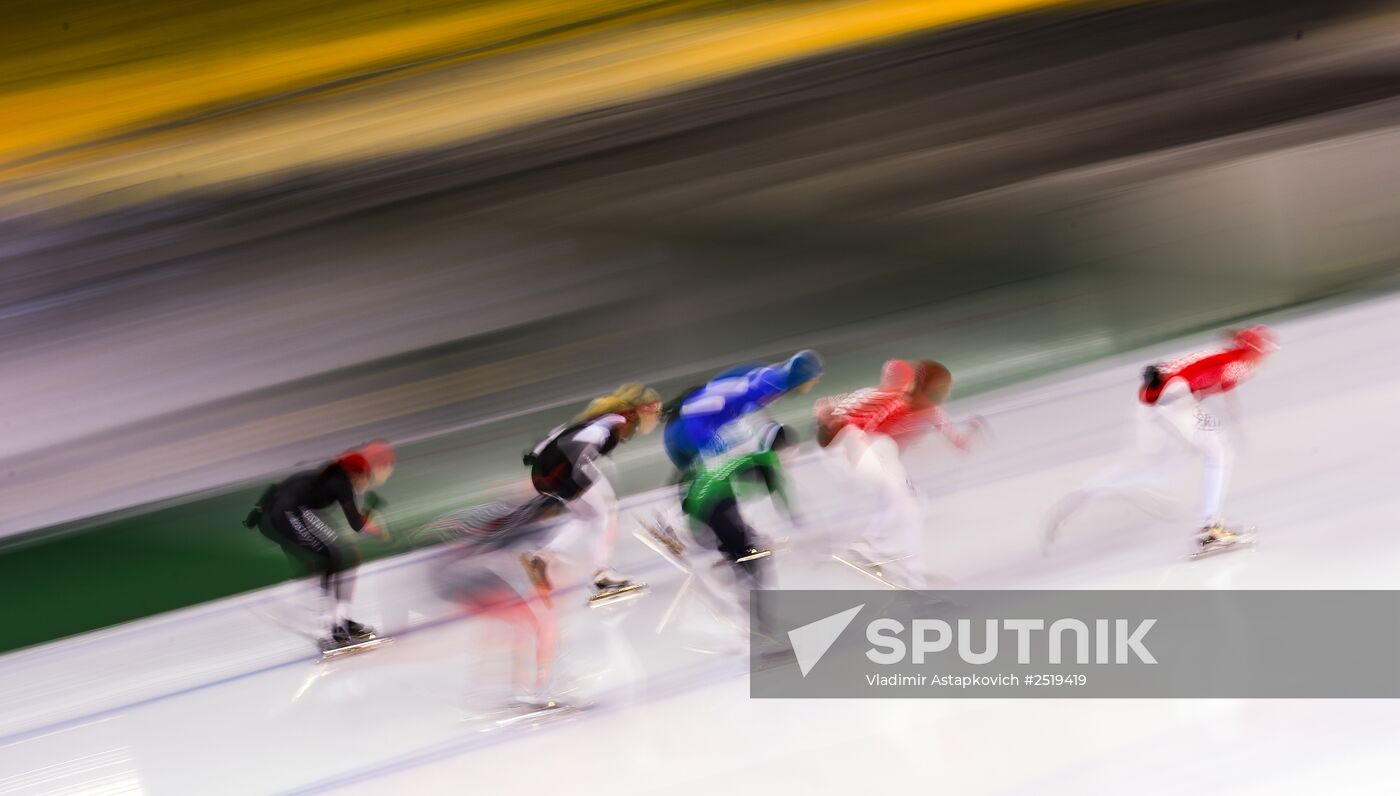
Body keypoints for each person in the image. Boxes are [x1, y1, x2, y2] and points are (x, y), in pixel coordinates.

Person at [1043, 325, 1278, 555]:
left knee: (1158, 467)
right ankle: (1209, 530)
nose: (1265, 360)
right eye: (1264, 353)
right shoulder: (1240, 365)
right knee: (1219, 453)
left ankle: (1085, 491)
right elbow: (1215, 384)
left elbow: (1214, 382)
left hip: (1152, 397)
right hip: (1174, 397)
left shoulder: (1223, 355)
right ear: (1254, 350)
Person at [815, 359, 982, 588]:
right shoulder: (892, 403)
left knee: (908, 503)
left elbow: (958, 442)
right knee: (910, 505)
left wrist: (970, 430)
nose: (948, 393)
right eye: (944, 388)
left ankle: (869, 549)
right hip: (865, 456)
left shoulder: (928, 411)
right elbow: (854, 426)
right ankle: (912, 579)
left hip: (873, 459)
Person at [245, 440, 395, 651]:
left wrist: (255, 514)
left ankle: (339, 621)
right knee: (330, 559)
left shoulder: (327, 476)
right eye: (365, 478)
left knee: (335, 558)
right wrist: (374, 519)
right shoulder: (342, 483)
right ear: (356, 474)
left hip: (284, 511)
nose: (365, 483)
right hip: (285, 514)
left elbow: (276, 487)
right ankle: (332, 626)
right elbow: (356, 525)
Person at [520, 384, 662, 604]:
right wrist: (571, 476)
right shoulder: (615, 422)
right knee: (604, 514)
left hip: (546, 469)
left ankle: (542, 556)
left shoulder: (597, 421)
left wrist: (546, 480)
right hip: (566, 466)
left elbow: (551, 441)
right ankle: (602, 574)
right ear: (635, 415)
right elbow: (582, 444)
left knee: (587, 517)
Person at [662, 350, 824, 477]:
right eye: (814, 379)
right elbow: (749, 414)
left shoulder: (768, 373)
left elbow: (725, 389)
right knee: (734, 470)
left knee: (699, 479)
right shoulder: (772, 384)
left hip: (684, 425)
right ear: (803, 377)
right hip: (691, 429)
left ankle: (668, 514)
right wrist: (778, 444)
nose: (815, 383)